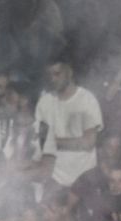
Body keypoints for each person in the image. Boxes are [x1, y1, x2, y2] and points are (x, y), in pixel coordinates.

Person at [35, 49, 103, 188]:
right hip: (53, 180)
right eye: (49, 75)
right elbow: (40, 141)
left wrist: (52, 141)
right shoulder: (44, 102)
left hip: (83, 180)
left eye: (57, 74)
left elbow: (88, 142)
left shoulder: (87, 100)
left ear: (69, 72)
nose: (53, 79)